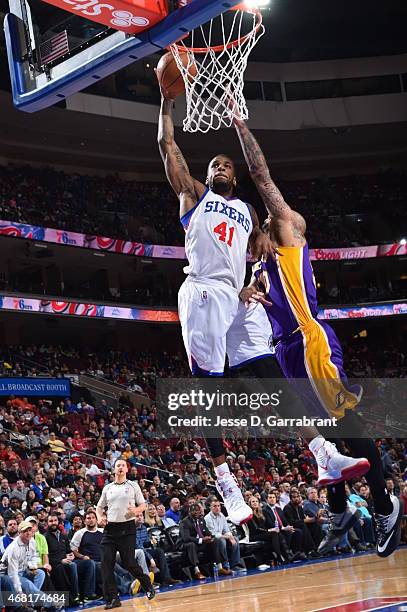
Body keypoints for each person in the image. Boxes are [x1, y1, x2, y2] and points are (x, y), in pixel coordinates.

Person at [234, 117, 403, 558]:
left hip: (309, 341)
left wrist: (240, 127)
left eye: (255, 239)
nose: (252, 247)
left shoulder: (286, 238)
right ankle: (341, 507)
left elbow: (261, 177)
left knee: (344, 422)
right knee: (322, 438)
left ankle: (385, 504)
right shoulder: (258, 266)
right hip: (286, 350)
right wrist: (246, 291)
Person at [156, 76, 275, 525]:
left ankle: (322, 451)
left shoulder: (244, 210)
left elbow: (252, 242)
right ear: (206, 176)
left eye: (227, 164)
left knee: (265, 367)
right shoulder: (194, 195)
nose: (222, 166)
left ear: (235, 175)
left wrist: (261, 240)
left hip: (233, 296)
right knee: (208, 390)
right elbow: (168, 147)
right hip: (203, 290)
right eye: (215, 164)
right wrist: (167, 104)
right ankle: (228, 487)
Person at [96, 458, 155, 607]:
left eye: (123, 465)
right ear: (114, 469)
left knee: (129, 562)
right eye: (118, 466)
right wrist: (100, 517)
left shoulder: (133, 486)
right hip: (110, 530)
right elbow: (99, 507)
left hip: (127, 529)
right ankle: (113, 598)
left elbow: (143, 505)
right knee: (106, 563)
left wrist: (135, 511)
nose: (121, 467)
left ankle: (146, 582)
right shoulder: (108, 487)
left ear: (127, 469)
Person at [45, 512, 95, 606]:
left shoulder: (63, 536)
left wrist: (71, 555)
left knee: (89, 563)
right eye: (51, 521)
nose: (53, 523)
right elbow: (46, 556)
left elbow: (68, 550)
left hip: (68, 560)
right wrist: (61, 560)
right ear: (47, 523)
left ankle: (88, 594)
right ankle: (75, 596)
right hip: (56, 564)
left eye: (55, 520)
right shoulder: (45, 537)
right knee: (72, 565)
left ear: (58, 522)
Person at [1, 520, 54, 607]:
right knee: (28, 584)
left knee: (40, 573)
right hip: (7, 574)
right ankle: (50, 603)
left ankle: (31, 602)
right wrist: (20, 592)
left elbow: (33, 556)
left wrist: (33, 567)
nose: (28, 533)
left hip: (23, 570)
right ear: (19, 533)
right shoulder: (13, 548)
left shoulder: (32, 541)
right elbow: (12, 573)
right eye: (25, 531)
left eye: (30, 530)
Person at [179, 503, 216, 580]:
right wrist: (202, 540)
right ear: (189, 512)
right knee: (191, 545)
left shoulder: (201, 520)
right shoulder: (184, 522)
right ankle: (197, 571)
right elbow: (186, 538)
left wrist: (210, 537)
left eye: (197, 510)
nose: (196, 512)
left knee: (214, 542)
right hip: (184, 544)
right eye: (193, 511)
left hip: (199, 543)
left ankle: (218, 567)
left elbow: (207, 532)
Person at [204, 499, 241, 573]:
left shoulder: (222, 516)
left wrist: (230, 537)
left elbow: (226, 530)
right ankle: (225, 565)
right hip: (212, 540)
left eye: (218, 506)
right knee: (221, 540)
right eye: (214, 506)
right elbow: (213, 534)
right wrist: (227, 537)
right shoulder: (207, 518)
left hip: (222, 537)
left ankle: (234, 565)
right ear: (210, 507)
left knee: (235, 539)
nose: (217, 508)